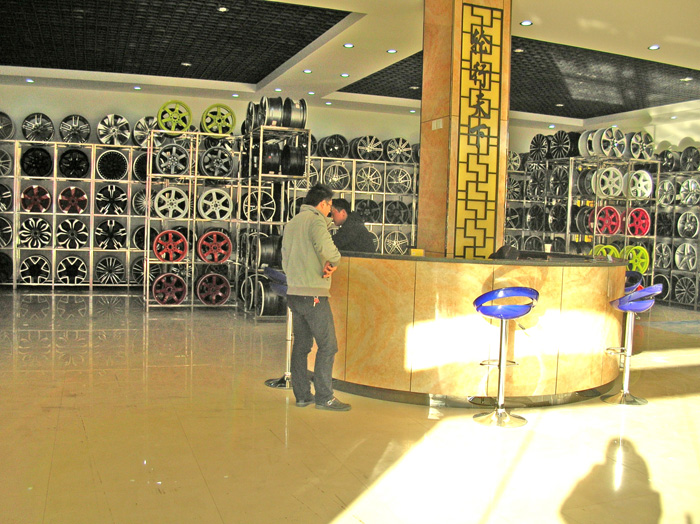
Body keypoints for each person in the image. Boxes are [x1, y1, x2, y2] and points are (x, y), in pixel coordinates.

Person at [281, 184, 351, 411]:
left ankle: (302, 395)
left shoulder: (293, 222)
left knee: (301, 346)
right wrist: (335, 261)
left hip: (294, 292)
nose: (330, 210)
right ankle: (324, 397)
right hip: (313, 294)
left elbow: (284, 257)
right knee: (328, 346)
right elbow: (328, 250)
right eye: (330, 205)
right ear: (322, 203)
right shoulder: (316, 221)